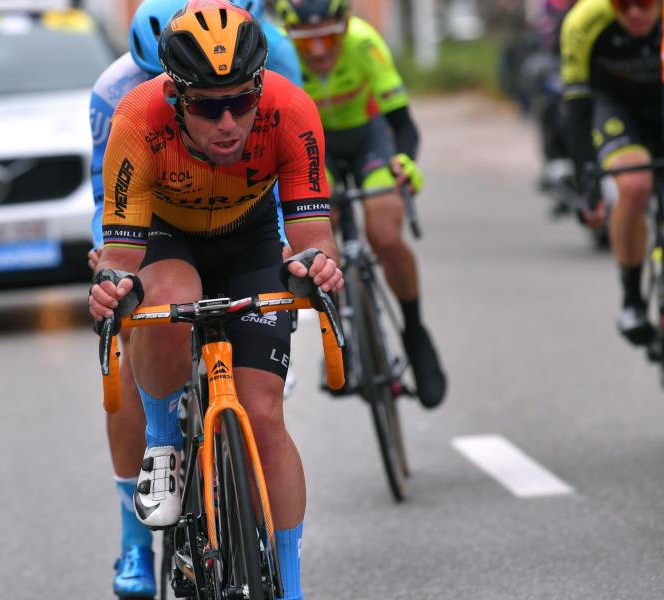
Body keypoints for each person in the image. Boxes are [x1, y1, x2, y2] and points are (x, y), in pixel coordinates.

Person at [89, 2, 342, 598]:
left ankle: (293, 586)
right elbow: (121, 257)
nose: (228, 122)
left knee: (264, 417)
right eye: (206, 105)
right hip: (166, 237)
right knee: (167, 297)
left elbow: (310, 238)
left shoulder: (289, 109)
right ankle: (163, 443)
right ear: (176, 96)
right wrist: (109, 289)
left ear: (260, 86)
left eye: (241, 101)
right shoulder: (136, 118)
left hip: (250, 240)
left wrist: (318, 268)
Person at [275, 0, 447, 409]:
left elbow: (403, 123)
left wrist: (405, 161)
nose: (318, 51)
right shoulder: (280, 55)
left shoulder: (366, 44)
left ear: (346, 25)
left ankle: (415, 330)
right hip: (318, 146)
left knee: (385, 233)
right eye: (306, 41)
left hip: (370, 139)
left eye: (329, 38)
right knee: (318, 231)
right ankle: (340, 336)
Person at [561, 0, 663, 345]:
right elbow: (576, 108)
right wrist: (586, 183)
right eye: (623, 4)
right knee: (634, 186)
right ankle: (632, 298)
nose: (634, 13)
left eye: (644, 3)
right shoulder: (584, 21)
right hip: (616, 108)